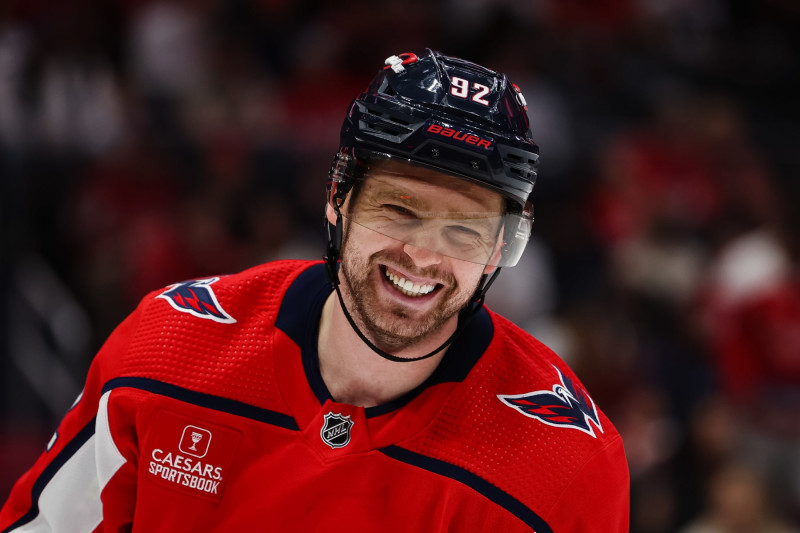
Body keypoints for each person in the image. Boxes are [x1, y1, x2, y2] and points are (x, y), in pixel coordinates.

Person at [0, 49, 629, 532]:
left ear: (499, 250)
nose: (423, 256)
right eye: (399, 210)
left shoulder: (565, 462)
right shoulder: (171, 346)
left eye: (464, 231)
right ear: (338, 200)